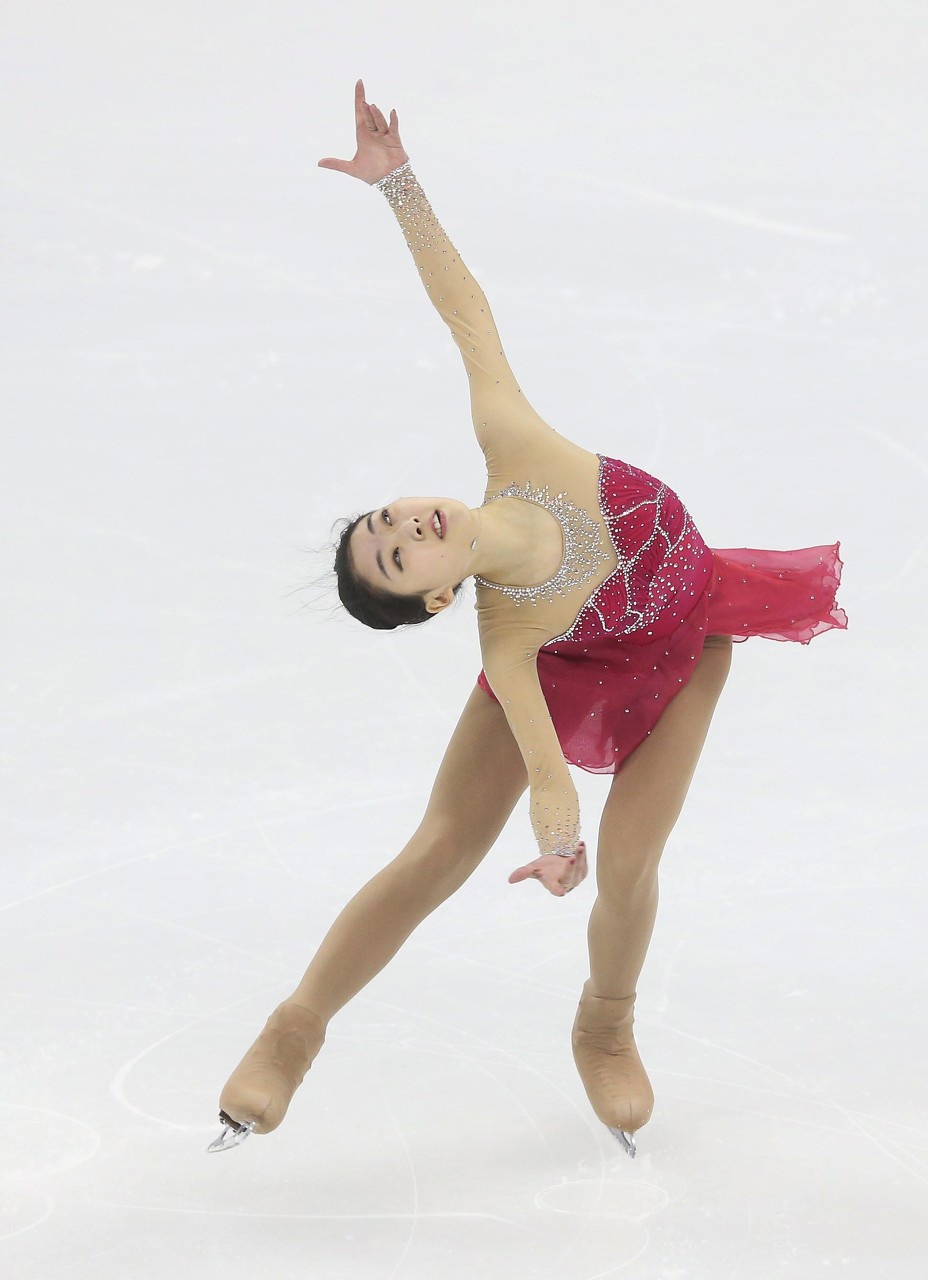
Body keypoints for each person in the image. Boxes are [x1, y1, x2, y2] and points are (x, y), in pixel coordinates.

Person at [208, 80, 846, 1158]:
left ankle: (605, 1021)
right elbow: (550, 776)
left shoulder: (513, 441)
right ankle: (294, 1027)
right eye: (399, 553)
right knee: (443, 846)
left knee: (638, 864)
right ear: (437, 592)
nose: (408, 522)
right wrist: (557, 848)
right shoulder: (506, 636)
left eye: (386, 517)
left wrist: (398, 184)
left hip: (686, 641)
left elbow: (463, 307)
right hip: (573, 662)